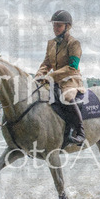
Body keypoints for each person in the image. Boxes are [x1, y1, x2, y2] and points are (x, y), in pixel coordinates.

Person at [35, 10, 86, 145]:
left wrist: (50, 75)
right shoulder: (51, 43)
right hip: (53, 80)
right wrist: (38, 75)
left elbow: (72, 67)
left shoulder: (74, 43)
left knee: (67, 97)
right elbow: (46, 63)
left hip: (71, 80)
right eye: (54, 25)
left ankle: (80, 132)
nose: (55, 28)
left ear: (67, 26)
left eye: (59, 25)